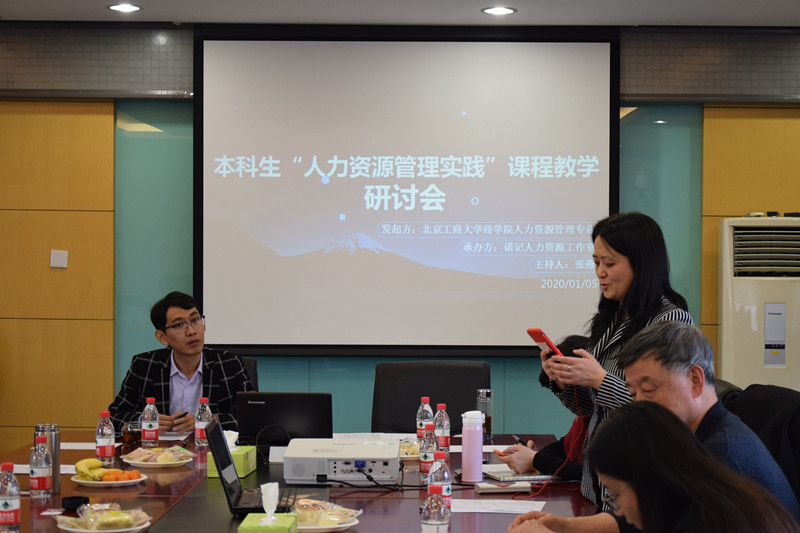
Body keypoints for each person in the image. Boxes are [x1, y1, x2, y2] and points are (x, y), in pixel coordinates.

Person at [508, 321, 800, 533]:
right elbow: (647, 516)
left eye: (649, 390)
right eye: (633, 394)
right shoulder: (687, 439)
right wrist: (566, 526)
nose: (638, 406)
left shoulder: (722, 458)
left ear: (695, 380)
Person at [510, 212, 693, 507]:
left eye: (609, 263)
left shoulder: (670, 322)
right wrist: (564, 380)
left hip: (640, 485)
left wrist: (600, 379)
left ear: (641, 264)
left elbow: (664, 413)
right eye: (596, 263)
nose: (600, 273)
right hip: (597, 485)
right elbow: (588, 408)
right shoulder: (613, 317)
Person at [510, 401, 800, 533]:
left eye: (614, 495)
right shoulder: (690, 487)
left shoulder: (707, 518)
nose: (617, 509)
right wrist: (565, 526)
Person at [109, 291, 254, 433]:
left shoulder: (229, 364)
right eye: (179, 325)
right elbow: (115, 416)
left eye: (195, 320)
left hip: (209, 447)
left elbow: (253, 416)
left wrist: (205, 422)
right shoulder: (144, 366)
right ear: (162, 337)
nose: (191, 331)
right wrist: (145, 421)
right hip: (160, 448)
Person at [499, 336, 589, 481]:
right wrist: (533, 457)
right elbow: (556, 450)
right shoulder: (581, 423)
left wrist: (534, 460)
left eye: (566, 392)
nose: (563, 403)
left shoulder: (603, 420)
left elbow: (586, 473)